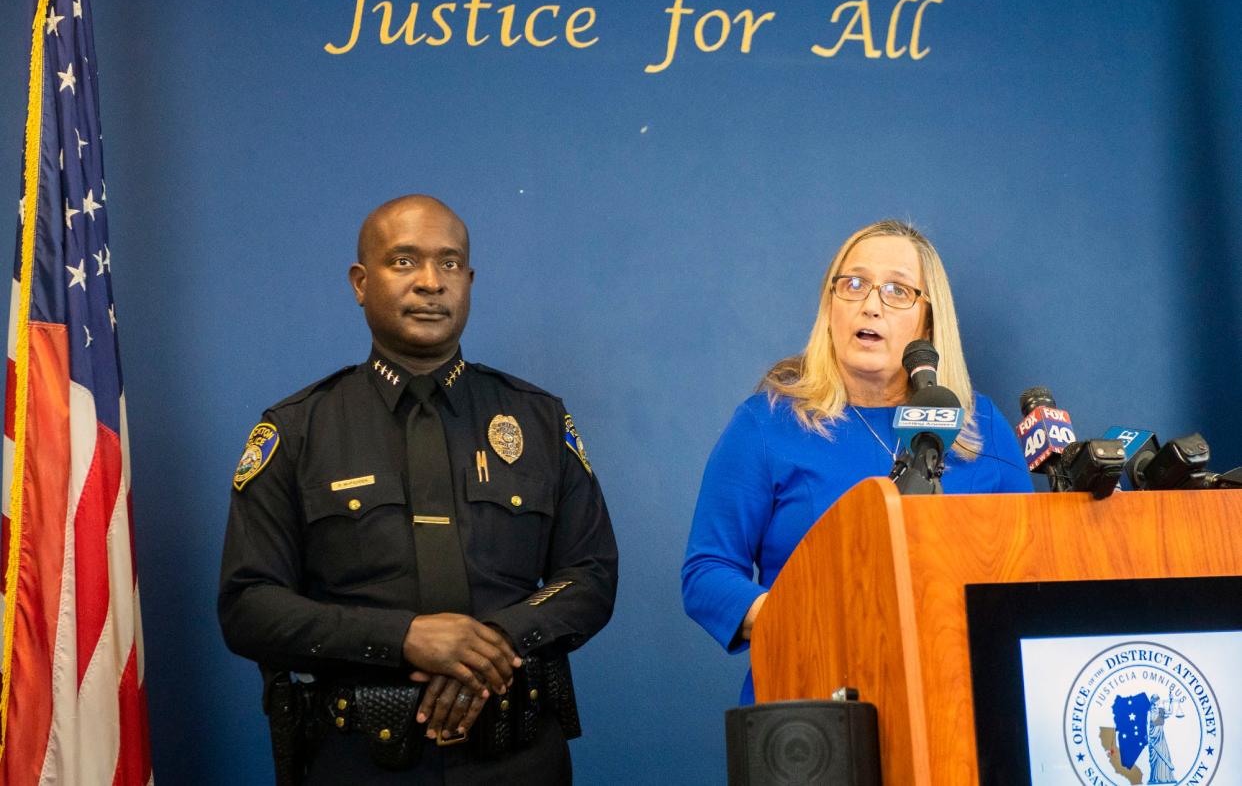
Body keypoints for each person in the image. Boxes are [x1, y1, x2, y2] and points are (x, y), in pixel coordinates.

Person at [219, 195, 618, 784]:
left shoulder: (537, 419)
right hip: (361, 759)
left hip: (518, 756)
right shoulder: (297, 430)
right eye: (404, 262)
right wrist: (402, 638)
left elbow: (591, 576)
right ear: (360, 282)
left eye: (450, 263)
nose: (431, 283)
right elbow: (249, 606)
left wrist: (493, 643)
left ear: (470, 280)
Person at [681, 220, 1032, 704]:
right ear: (830, 308)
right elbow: (707, 573)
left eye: (896, 291)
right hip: (812, 702)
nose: (871, 304)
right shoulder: (768, 423)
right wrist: (803, 622)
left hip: (954, 700)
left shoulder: (979, 426)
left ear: (928, 324)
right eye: (853, 284)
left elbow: (1028, 571)